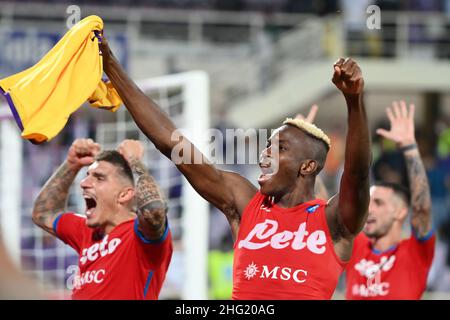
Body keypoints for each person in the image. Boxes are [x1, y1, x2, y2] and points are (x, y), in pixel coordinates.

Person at [100, 35, 371, 299]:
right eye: (267, 146)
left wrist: (354, 101)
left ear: (308, 166)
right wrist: (111, 65)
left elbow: (357, 174)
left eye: (281, 148)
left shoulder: (333, 220)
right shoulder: (245, 202)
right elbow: (171, 143)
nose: (265, 155)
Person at [32, 138, 172, 300]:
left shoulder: (141, 237)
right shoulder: (86, 231)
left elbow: (154, 211)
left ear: (124, 194)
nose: (84, 183)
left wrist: (134, 160)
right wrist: (71, 165)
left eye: (99, 178)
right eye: (87, 176)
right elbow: (43, 213)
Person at [345, 101, 435, 300]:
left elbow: (422, 209)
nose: (369, 210)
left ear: (400, 211)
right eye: (369, 203)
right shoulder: (357, 246)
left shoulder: (414, 253)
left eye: (379, 203)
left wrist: (410, 149)